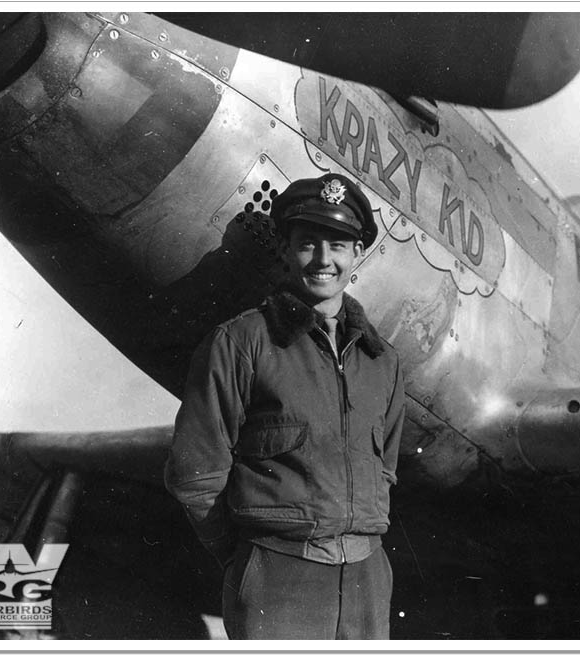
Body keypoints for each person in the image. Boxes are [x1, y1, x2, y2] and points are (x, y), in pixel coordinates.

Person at [165, 173, 405, 640]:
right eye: (307, 243)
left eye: (338, 245)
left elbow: (387, 470)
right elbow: (195, 474)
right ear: (286, 250)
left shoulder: (384, 363)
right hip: (279, 576)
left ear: (358, 255)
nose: (323, 260)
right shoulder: (240, 342)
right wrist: (247, 559)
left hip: (367, 580)